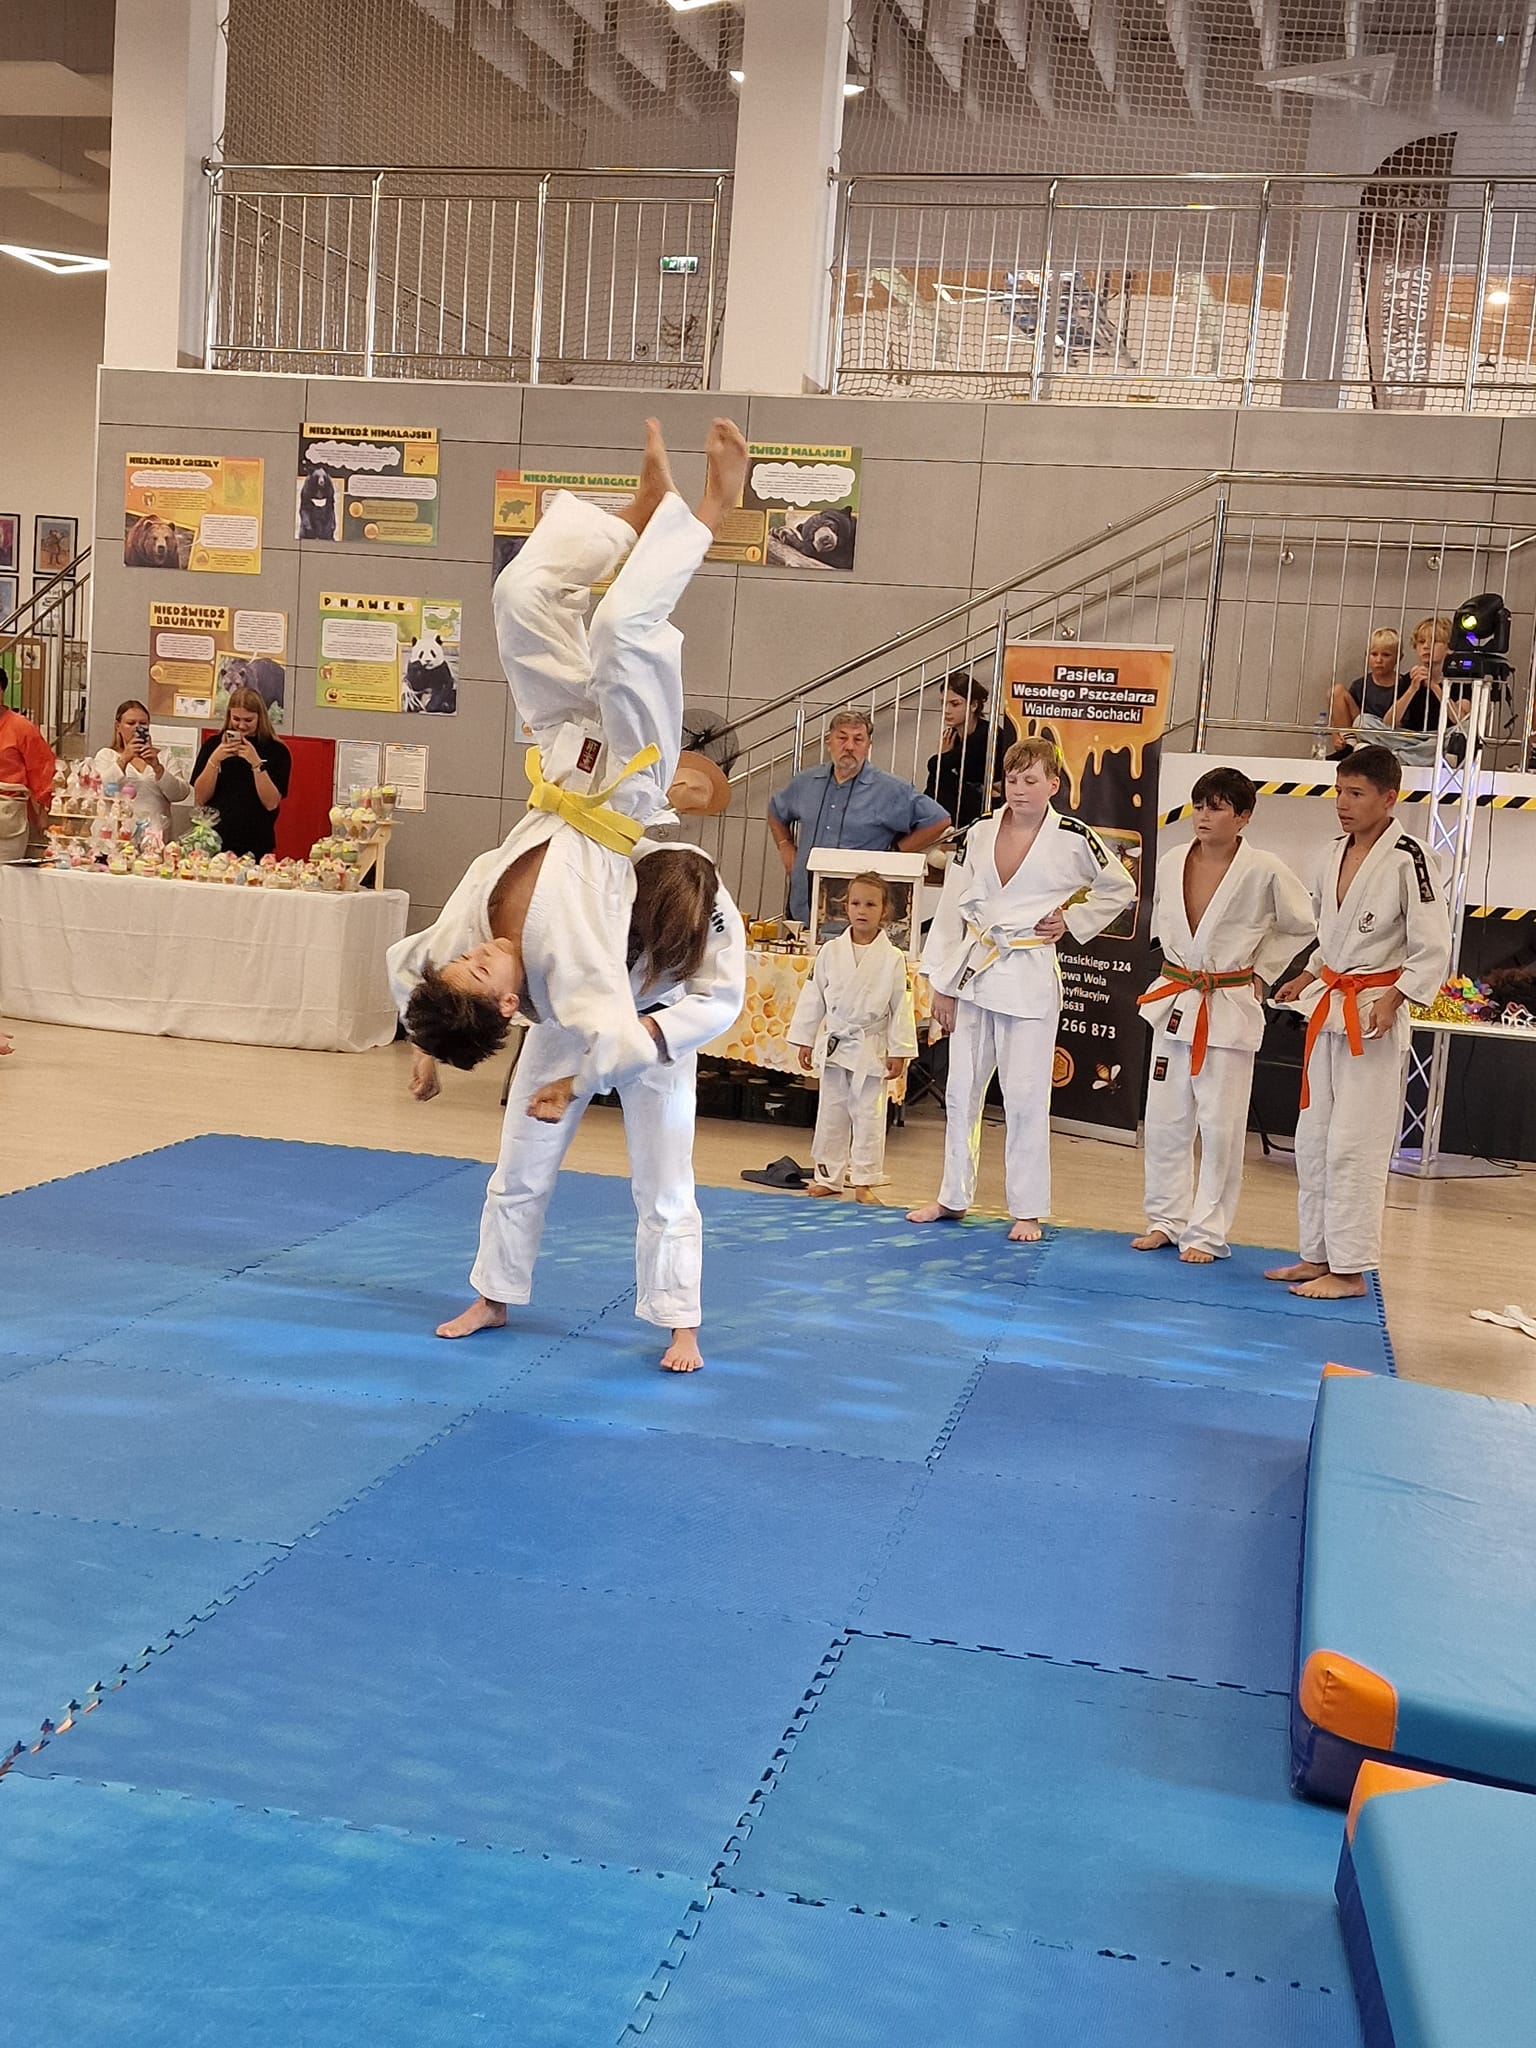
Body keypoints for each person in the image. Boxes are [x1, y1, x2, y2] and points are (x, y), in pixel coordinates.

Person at [388, 416, 749, 1123]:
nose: (476, 951)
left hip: (562, 751)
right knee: (620, 633)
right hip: (626, 775)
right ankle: (714, 507)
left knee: (518, 597)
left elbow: (409, 970)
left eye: (463, 960)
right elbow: (615, 1037)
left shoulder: (465, 942)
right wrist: (576, 1085)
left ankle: (640, 512)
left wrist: (425, 1047)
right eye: (481, 969)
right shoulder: (570, 975)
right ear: (509, 1003)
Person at [418, 841, 746, 1371]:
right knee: (520, 1164)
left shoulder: (713, 915)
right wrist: (427, 1044)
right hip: (566, 1012)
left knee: (664, 1182)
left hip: (661, 1026)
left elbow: (721, 1003)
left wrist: (623, 1047)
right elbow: (457, 965)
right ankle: (493, 1296)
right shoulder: (608, 867)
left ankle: (681, 1323)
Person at [908, 736, 1136, 1242]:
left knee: (1026, 1096)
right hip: (974, 971)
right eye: (1012, 780)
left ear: (1053, 785)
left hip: (1029, 972)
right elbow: (951, 909)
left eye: (1031, 780)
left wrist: (1072, 919)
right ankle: (952, 1196)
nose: (1019, 789)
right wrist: (941, 984)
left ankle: (1028, 1209)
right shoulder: (979, 832)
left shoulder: (1073, 837)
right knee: (961, 1091)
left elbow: (1121, 887)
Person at [1264, 744, 1452, 1300]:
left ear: (1389, 798)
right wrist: (1307, 975)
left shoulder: (1411, 858)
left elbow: (1432, 945)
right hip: (1329, 1006)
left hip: (1372, 1013)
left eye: (1356, 794)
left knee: (1355, 1143)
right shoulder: (1329, 853)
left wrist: (1396, 998)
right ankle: (1317, 1254)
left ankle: (1349, 1270)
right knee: (1314, 1137)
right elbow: (1331, 936)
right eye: (1339, 792)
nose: (1342, 804)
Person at [1131, 767, 1315, 1263]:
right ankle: (1165, 1219)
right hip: (1176, 998)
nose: (1204, 816)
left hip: (1227, 1004)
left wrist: (1263, 972)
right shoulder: (1172, 860)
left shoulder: (1264, 869)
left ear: (1243, 817)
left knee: (1220, 1129)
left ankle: (1207, 1232)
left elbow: (1301, 924)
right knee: (1165, 1120)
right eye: (1199, 806)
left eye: (1216, 807)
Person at [788, 871, 917, 1205]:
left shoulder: (893, 958)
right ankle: (828, 1177)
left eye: (871, 904)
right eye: (856, 903)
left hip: (870, 1047)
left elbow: (901, 1006)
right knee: (831, 1113)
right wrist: (805, 1038)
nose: (862, 910)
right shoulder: (830, 952)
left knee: (869, 1116)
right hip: (836, 1044)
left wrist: (899, 1050)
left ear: (884, 911)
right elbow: (813, 996)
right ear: (845, 907)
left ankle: (864, 1179)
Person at [767, 709, 949, 925]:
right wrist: (785, 845)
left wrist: (896, 853)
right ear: (829, 742)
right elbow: (775, 810)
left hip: (860, 908)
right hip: (803, 899)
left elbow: (939, 820)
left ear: (868, 746)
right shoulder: (805, 782)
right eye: (842, 738)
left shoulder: (890, 789)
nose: (849, 746)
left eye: (858, 739)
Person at [190, 686, 291, 858]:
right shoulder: (213, 745)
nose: (241, 725)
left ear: (260, 718)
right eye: (236, 719)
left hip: (256, 841)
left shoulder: (277, 750)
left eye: (248, 720)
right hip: (214, 840)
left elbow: (271, 803)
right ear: (229, 715)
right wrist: (214, 760)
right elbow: (200, 797)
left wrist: (256, 763)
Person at [93, 700, 191, 836]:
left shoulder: (164, 756)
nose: (137, 728)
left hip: (155, 837)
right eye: (131, 723)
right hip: (117, 835)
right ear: (118, 726)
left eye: (143, 723)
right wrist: (123, 760)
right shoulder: (106, 756)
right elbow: (104, 790)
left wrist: (158, 768)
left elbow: (180, 794)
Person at [925, 670, 999, 830]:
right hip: (969, 800)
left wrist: (943, 756)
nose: (947, 710)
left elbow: (934, 765)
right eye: (943, 703)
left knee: (940, 775)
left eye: (955, 704)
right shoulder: (953, 735)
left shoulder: (986, 734)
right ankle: (930, 823)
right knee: (938, 777)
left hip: (991, 804)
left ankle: (932, 825)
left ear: (973, 705)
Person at [0, 699, 56, 865]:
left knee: (5, 874)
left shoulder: (21, 727)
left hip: (8, 815)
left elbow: (42, 768)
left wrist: (43, 809)